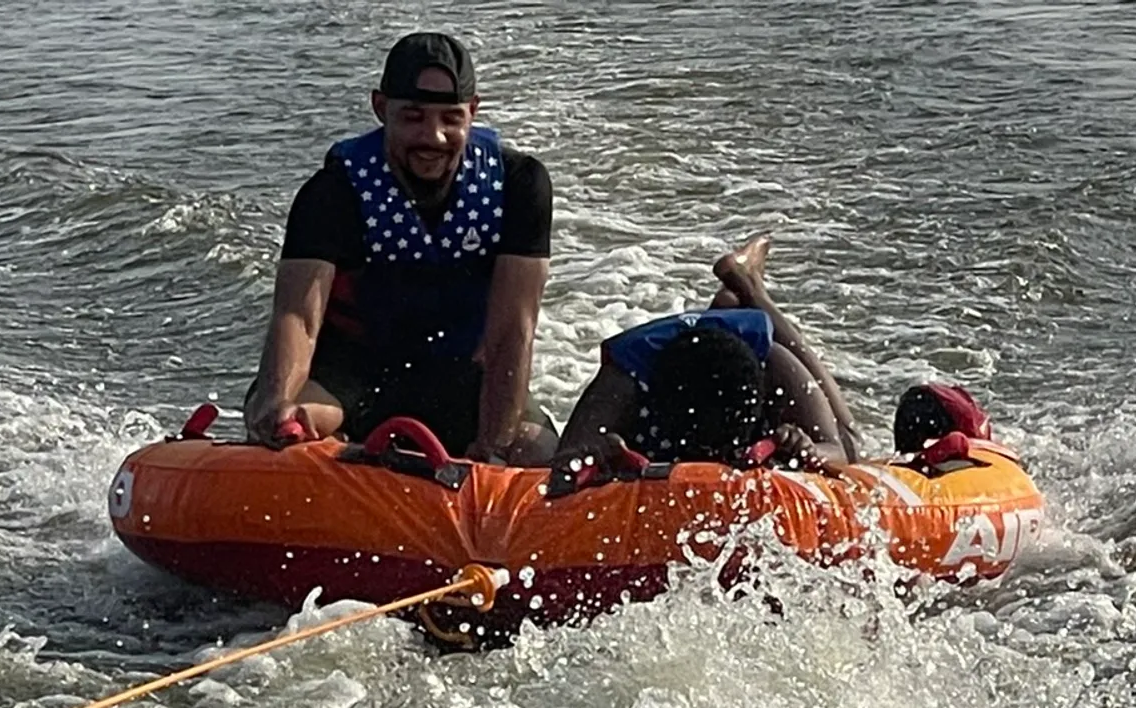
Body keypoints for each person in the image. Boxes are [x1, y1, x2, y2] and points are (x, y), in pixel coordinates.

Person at [243, 33, 557, 463]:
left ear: (473, 112)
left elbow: (512, 331)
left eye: (451, 118)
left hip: (460, 376)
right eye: (413, 117)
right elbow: (298, 317)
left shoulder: (520, 186)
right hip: (349, 376)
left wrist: (493, 448)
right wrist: (276, 404)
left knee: (537, 452)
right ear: (380, 108)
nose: (435, 137)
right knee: (292, 422)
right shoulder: (334, 193)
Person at [554, 235, 862, 472]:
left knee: (851, 437)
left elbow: (840, 450)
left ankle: (749, 286)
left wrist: (805, 448)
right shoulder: (622, 383)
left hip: (739, 349)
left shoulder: (773, 364)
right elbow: (564, 461)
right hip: (672, 355)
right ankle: (733, 299)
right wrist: (597, 459)